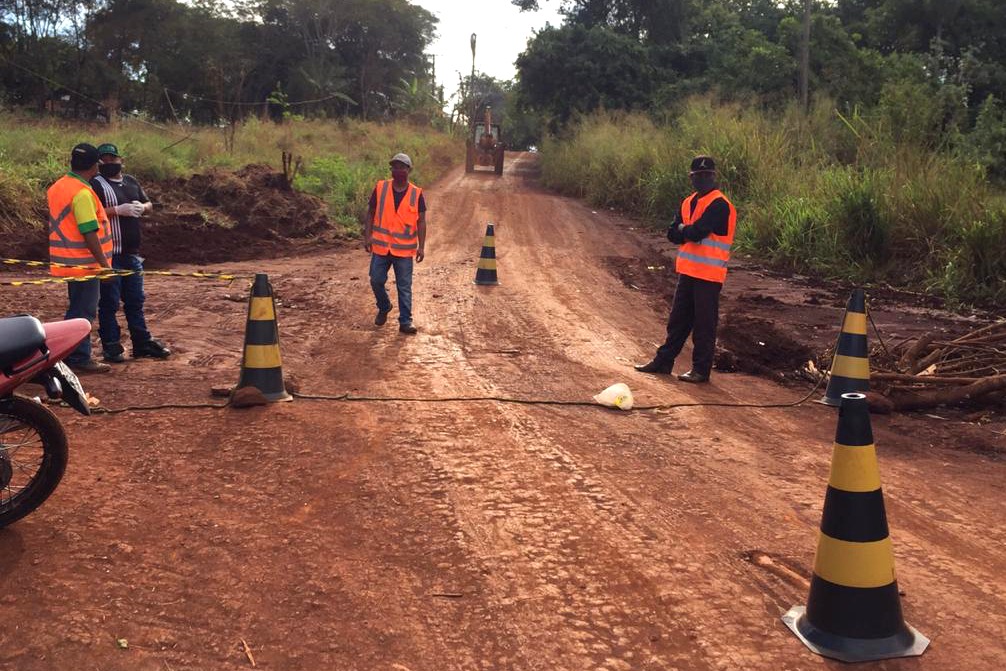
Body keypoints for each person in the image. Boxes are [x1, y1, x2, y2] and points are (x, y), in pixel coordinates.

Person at [635, 155, 737, 383]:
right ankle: (663, 362)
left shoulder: (720, 205)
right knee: (677, 321)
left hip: (709, 276)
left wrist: (685, 229)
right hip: (688, 272)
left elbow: (696, 232)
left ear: (714, 176)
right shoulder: (688, 202)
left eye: (707, 175)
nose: (703, 179)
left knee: (704, 325)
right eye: (698, 176)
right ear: (691, 178)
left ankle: (701, 370)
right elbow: (672, 233)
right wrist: (685, 229)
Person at [90, 143, 171, 362]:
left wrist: (142, 208)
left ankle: (142, 342)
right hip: (110, 252)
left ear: (120, 159)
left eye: (112, 158)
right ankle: (111, 344)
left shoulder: (131, 181)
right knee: (110, 302)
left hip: (132, 253)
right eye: (104, 159)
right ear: (98, 162)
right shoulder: (96, 184)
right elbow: (91, 213)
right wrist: (116, 211)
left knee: (135, 300)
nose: (109, 163)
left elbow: (149, 203)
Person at [47, 143, 113, 373]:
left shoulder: (59, 187)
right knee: (82, 313)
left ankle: (70, 355)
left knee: (77, 308)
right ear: (95, 166)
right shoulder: (82, 193)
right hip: (85, 263)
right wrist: (104, 265)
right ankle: (78, 357)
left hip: (67, 260)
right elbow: (88, 231)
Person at [363, 152, 427, 334]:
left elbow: (421, 221)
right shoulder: (381, 188)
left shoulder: (416, 193)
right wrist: (367, 236)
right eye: (395, 167)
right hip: (381, 247)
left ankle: (405, 322)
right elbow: (371, 213)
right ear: (391, 169)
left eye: (401, 167)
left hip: (404, 251)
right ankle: (384, 306)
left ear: (409, 170)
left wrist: (421, 246)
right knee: (376, 280)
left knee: (404, 287)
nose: (397, 170)